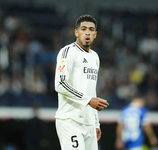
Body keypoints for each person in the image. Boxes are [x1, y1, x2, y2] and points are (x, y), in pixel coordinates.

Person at [54, 14, 109, 150]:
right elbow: (60, 84)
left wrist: (95, 123)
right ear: (76, 32)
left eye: (91, 30)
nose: (87, 33)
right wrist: (88, 100)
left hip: (88, 123)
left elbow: (91, 90)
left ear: (95, 34)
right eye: (83, 29)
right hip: (69, 120)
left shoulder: (95, 57)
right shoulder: (68, 52)